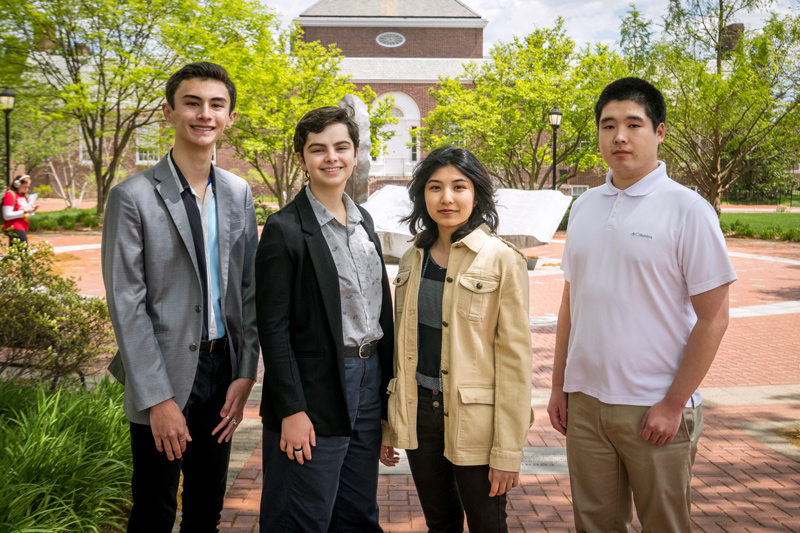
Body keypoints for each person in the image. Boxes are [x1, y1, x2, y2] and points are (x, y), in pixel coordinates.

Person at [547, 77, 737, 532]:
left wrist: (673, 404)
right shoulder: (586, 206)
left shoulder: (688, 210)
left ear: (660, 132)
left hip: (654, 406)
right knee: (594, 524)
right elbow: (572, 301)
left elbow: (714, 317)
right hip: (586, 405)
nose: (619, 136)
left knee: (664, 525)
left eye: (634, 124)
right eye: (608, 125)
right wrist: (560, 387)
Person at [101, 62, 259, 532]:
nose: (204, 114)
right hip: (162, 373)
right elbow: (127, 303)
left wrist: (247, 372)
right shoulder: (132, 197)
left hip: (222, 372)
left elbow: (248, 290)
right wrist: (157, 398)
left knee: (207, 509)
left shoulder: (239, 192)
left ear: (229, 116)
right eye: (192, 103)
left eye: (216, 105)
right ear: (170, 111)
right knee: (154, 509)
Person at [380, 146, 534, 533]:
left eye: (458, 186)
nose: (446, 198)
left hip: (476, 420)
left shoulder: (502, 259)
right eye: (435, 187)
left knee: (487, 525)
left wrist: (507, 450)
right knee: (440, 523)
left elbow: (516, 362)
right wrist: (390, 424)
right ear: (422, 197)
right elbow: (400, 346)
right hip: (420, 414)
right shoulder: (413, 257)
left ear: (476, 194)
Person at [255, 106, 394, 532]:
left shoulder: (363, 220)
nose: (331, 157)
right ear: (303, 158)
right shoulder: (285, 229)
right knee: (302, 513)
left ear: (354, 155)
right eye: (318, 149)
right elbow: (272, 330)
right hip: (316, 390)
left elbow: (378, 307)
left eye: (341, 147)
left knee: (356, 512)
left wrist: (388, 399)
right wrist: (290, 410)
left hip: (370, 382)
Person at [3, 174, 38, 246]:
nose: (26, 189)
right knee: (24, 253)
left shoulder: (22, 196)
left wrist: (31, 211)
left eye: (28, 187)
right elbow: (6, 215)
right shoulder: (10, 195)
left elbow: (24, 214)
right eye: (25, 186)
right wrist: (24, 211)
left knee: (14, 255)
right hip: (14, 227)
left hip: (23, 227)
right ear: (17, 184)